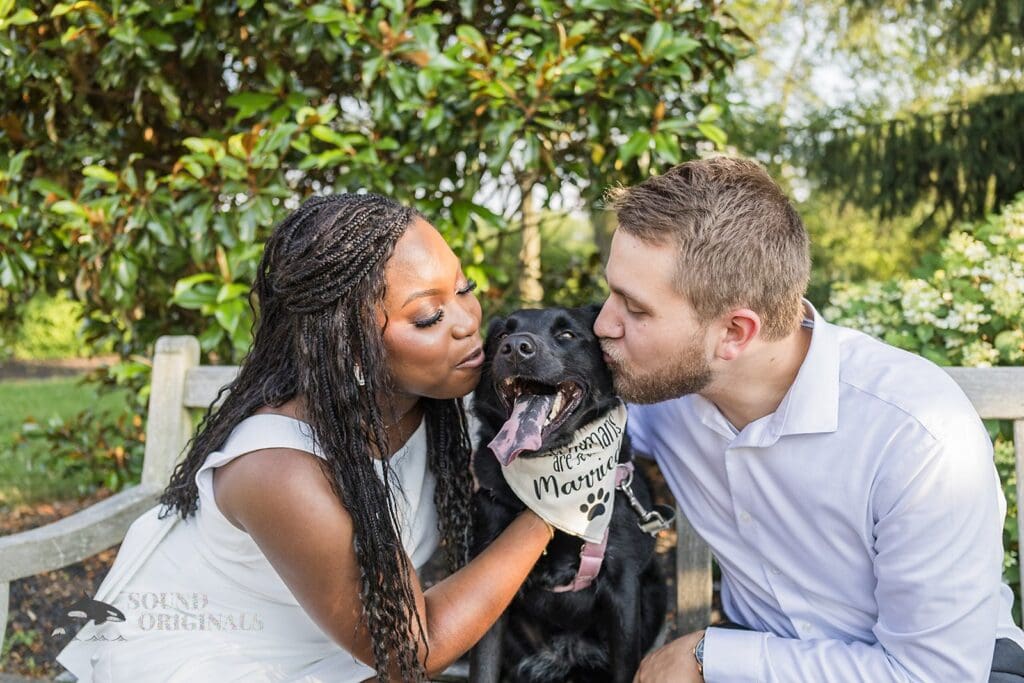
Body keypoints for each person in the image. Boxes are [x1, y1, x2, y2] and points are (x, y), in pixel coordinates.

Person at [56, 193, 555, 682]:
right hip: (214, 660)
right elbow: (411, 652)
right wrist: (551, 513)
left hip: (339, 658)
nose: (469, 322)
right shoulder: (278, 468)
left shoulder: (437, 406)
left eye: (464, 288)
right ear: (352, 350)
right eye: (428, 317)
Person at [591, 156, 1024, 682]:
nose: (603, 324)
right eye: (611, 292)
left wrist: (710, 656)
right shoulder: (660, 391)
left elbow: (933, 674)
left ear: (735, 333)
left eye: (636, 310)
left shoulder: (919, 436)